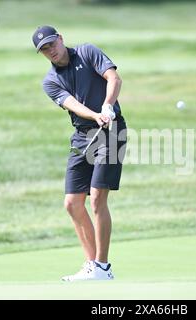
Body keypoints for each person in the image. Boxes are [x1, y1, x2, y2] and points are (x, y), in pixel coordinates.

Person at [32, 25, 127, 281]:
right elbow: (72, 104)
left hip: (112, 131)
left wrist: (107, 106)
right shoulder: (50, 81)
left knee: (96, 199)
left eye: (51, 44)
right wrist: (96, 115)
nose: (50, 50)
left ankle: (103, 267)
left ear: (60, 39)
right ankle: (92, 265)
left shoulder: (87, 52)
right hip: (83, 135)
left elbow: (114, 78)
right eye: (44, 49)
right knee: (72, 203)